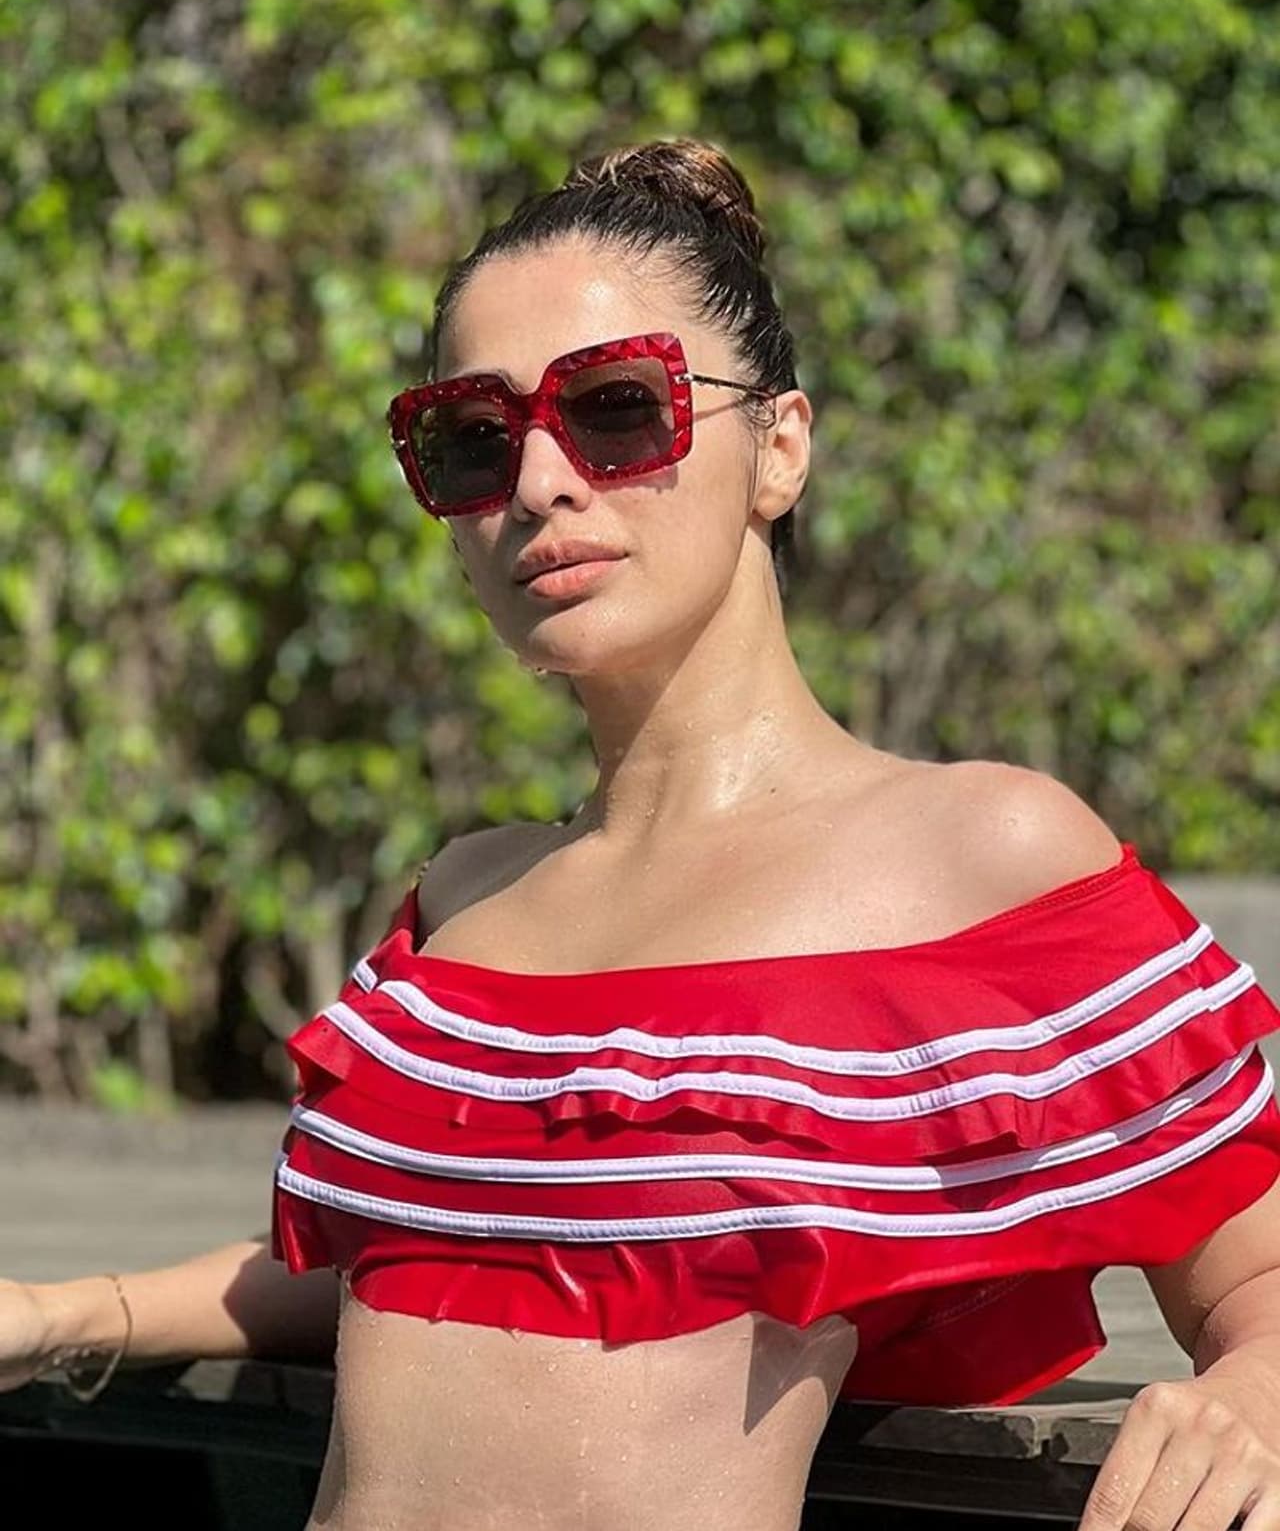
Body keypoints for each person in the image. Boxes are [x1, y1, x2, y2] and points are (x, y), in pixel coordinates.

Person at [6, 138, 1280, 1531]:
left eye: (616, 409)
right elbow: (416, 1270)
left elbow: (1255, 1281)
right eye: (472, 439)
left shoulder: (977, 856)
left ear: (779, 449)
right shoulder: (464, 900)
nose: (540, 483)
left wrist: (1255, 1394)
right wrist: (65, 1312)